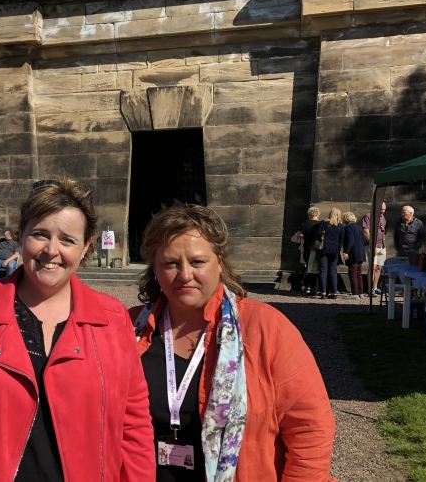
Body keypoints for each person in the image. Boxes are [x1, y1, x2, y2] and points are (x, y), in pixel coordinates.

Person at [130, 206, 336, 481]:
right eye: (170, 263)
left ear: (220, 262)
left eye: (197, 262)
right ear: (154, 268)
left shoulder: (265, 328)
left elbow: (310, 428)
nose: (184, 274)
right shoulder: (127, 328)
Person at [0, 178, 154, 482]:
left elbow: (133, 425)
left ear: (86, 248)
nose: (51, 250)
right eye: (40, 235)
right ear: (20, 236)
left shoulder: (112, 319)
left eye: (67, 240)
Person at [317, 208, 345, 300]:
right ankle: (333, 292)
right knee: (333, 271)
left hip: (324, 248)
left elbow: (318, 234)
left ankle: (323, 292)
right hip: (334, 249)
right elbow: (341, 241)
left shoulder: (324, 224)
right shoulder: (340, 226)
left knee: (323, 271)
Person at [362, 201, 387, 295]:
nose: (382, 211)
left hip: (382, 246)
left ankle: (375, 287)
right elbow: (366, 232)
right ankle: (369, 288)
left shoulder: (383, 217)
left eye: (384, 210)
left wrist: (384, 245)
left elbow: (384, 231)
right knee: (372, 266)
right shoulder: (368, 216)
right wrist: (373, 245)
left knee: (379, 267)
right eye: (381, 209)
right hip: (373, 246)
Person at [296, 206, 321, 295]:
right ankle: (320, 288)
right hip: (319, 248)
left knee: (309, 268)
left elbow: (300, 235)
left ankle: (311, 288)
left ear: (309, 214)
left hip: (308, 247)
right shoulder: (321, 223)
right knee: (319, 268)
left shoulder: (306, 223)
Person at [342, 212, 367, 300]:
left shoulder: (348, 227)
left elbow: (350, 240)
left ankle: (355, 293)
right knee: (358, 273)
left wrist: (346, 252)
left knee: (352, 272)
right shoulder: (359, 227)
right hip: (361, 252)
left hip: (353, 252)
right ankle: (360, 292)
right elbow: (364, 240)